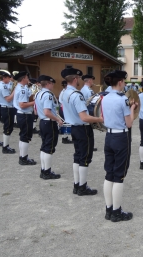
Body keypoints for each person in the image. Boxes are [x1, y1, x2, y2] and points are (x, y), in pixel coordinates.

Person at [101, 70, 137, 222]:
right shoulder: (122, 99)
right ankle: (117, 212)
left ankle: (109, 209)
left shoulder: (105, 97)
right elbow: (129, 123)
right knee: (119, 175)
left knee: (109, 174)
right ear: (120, 82)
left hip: (109, 136)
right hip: (121, 137)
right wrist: (133, 109)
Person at [61, 67, 103, 196]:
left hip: (73, 128)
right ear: (75, 79)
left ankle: (77, 184)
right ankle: (82, 187)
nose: (79, 80)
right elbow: (84, 117)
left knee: (78, 156)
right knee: (85, 158)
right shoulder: (76, 95)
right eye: (78, 78)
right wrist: (100, 119)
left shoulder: (63, 93)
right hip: (83, 128)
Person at [35, 75, 63, 180]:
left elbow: (37, 110)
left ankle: (43, 170)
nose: (53, 85)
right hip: (49, 122)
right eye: (52, 83)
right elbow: (47, 112)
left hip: (43, 122)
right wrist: (58, 119)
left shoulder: (38, 93)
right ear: (48, 83)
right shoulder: (48, 95)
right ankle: (47, 172)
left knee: (44, 147)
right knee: (49, 148)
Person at [13, 71, 37, 165]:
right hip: (25, 114)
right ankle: (23, 158)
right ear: (23, 79)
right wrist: (35, 102)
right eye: (27, 77)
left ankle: (23, 156)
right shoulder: (22, 89)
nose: (28, 79)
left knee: (23, 136)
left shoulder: (22, 87)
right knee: (26, 137)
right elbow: (22, 105)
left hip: (23, 114)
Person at [0, 71, 16, 154]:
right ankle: (5, 147)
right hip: (7, 108)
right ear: (4, 78)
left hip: (8, 108)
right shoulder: (3, 86)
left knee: (9, 127)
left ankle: (6, 146)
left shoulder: (3, 85)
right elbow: (8, 99)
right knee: (8, 127)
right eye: (8, 77)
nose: (10, 79)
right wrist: (15, 90)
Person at [80, 74, 98, 151]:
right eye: (92, 80)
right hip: (88, 112)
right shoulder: (89, 91)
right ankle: (90, 146)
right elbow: (93, 102)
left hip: (82, 112)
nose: (93, 82)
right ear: (90, 80)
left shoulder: (82, 89)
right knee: (89, 132)